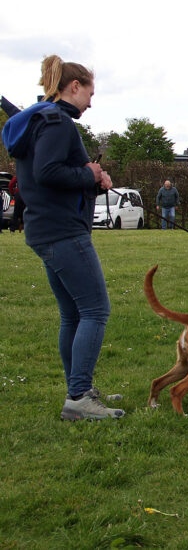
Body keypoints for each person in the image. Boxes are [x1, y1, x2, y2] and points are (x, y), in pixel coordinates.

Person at [8, 55, 124, 420]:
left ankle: (80, 388)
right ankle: (78, 399)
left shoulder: (38, 118)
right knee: (95, 310)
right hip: (63, 231)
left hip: (44, 228)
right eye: (90, 92)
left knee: (72, 314)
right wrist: (89, 174)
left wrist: (91, 175)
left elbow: (49, 171)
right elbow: (48, 172)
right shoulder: (58, 123)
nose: (91, 101)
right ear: (74, 86)